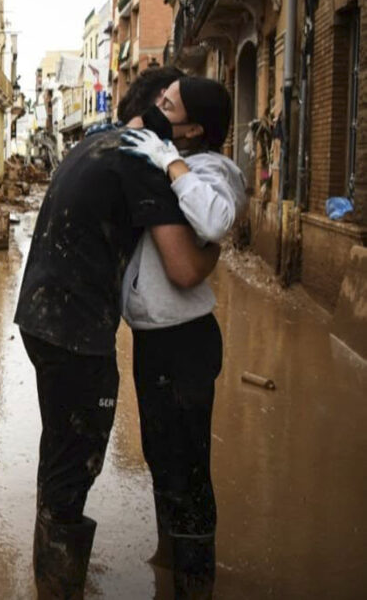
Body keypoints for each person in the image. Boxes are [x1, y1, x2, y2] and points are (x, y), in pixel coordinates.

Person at [14, 66, 220, 598]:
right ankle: (59, 586)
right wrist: (216, 243)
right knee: (77, 460)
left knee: (60, 446)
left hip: (41, 317)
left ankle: (51, 577)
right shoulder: (141, 158)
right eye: (169, 108)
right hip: (76, 328)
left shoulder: (98, 142)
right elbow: (183, 268)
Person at [119, 77, 245, 599]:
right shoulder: (162, 155)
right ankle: (167, 560)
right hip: (153, 340)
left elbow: (214, 222)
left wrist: (171, 163)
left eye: (168, 105)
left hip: (187, 341)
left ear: (194, 128)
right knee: (158, 453)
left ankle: (196, 579)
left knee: (188, 466)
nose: (156, 108)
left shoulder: (217, 170)